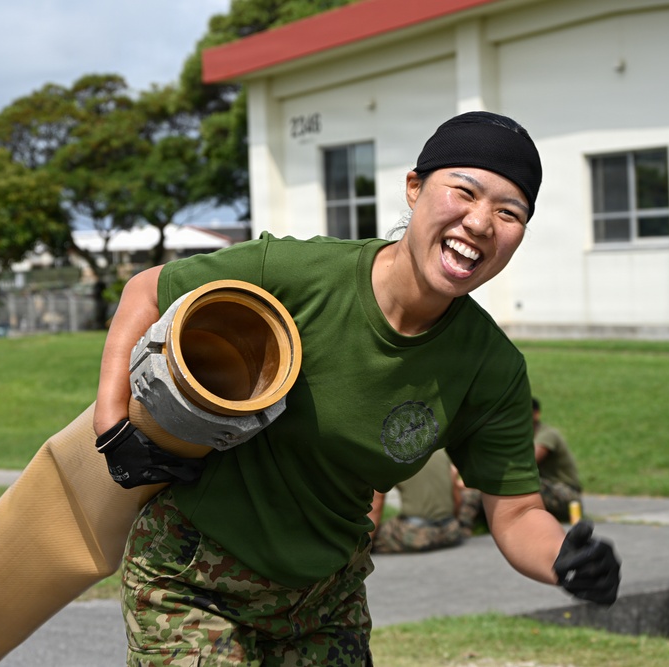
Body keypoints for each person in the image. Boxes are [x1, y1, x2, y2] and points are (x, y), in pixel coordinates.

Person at [93, 111, 621, 665]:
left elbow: (514, 513)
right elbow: (148, 289)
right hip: (195, 575)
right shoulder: (303, 272)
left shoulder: (491, 368)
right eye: (463, 191)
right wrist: (112, 426)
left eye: (509, 212)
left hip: (325, 600)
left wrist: (564, 559)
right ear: (415, 189)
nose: (482, 222)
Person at [368, 450, 477, 553]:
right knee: (470, 493)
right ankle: (462, 531)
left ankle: (361, 549)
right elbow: (456, 496)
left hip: (416, 535)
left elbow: (377, 503)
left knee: (376, 534)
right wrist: (454, 523)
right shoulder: (439, 450)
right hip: (450, 532)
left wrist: (366, 541)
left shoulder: (393, 454)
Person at [532, 397, 583, 523]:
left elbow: (528, 463)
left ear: (536, 414)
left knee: (517, 482)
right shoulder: (522, 436)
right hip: (549, 492)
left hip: (567, 496)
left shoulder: (547, 434)